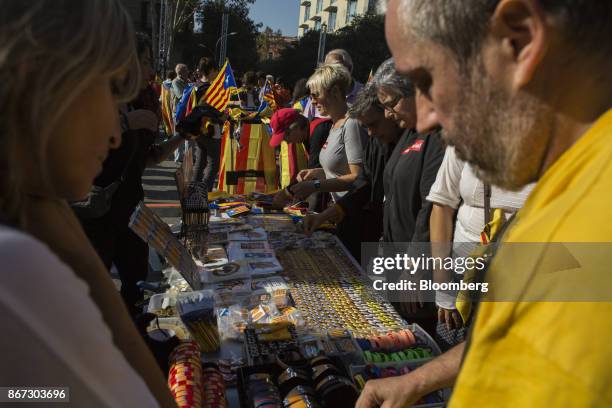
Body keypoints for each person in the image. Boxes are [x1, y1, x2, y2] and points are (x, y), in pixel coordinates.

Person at [356, 0, 612, 407]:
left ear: (518, 40)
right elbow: (512, 333)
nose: (424, 119)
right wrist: (418, 380)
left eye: (427, 79)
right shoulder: (566, 180)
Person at [0, 0, 174, 405]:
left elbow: (29, 394)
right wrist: (81, 261)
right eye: (112, 92)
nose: (116, 132)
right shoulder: (17, 264)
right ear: (39, 82)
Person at [77, 33, 187, 316]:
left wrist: (185, 134)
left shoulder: (135, 101)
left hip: (131, 214)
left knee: (135, 287)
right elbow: (81, 143)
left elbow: (149, 158)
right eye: (147, 62)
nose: (152, 71)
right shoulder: (97, 97)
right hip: (98, 217)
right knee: (91, 296)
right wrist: (126, 122)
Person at [279, 63, 367, 258]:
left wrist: (316, 185)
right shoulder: (335, 122)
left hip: (354, 217)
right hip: (340, 214)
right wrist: (316, 173)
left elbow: (357, 177)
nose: (312, 100)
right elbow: (339, 168)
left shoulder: (351, 123)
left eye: (316, 95)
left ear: (335, 91)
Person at [303, 77, 404, 243]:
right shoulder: (377, 142)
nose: (370, 133)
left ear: (389, 112)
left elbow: (356, 177)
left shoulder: (412, 141)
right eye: (367, 127)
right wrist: (325, 215)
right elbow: (364, 184)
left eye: (373, 124)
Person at [191, 57, 222, 191]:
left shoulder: (195, 86)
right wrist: (223, 115)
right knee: (213, 164)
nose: (217, 74)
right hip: (210, 130)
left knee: (200, 162)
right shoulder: (209, 88)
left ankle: (194, 193)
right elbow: (211, 111)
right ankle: (205, 193)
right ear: (210, 70)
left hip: (198, 129)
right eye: (216, 71)